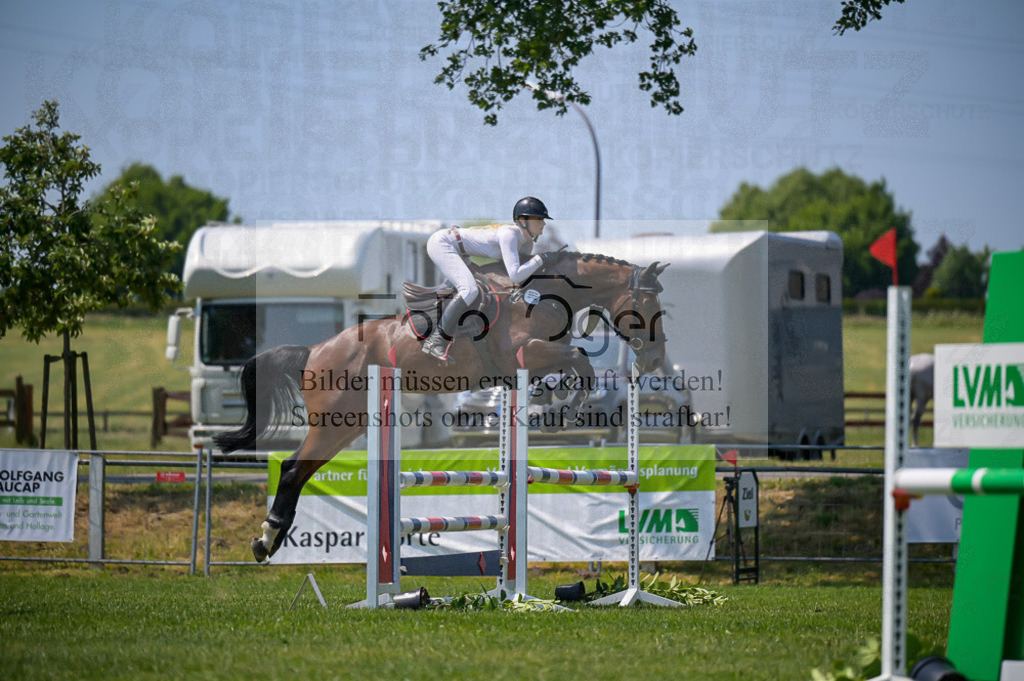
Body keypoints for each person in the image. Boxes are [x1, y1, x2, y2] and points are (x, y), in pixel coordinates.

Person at [421, 196, 566, 361]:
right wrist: (542, 259)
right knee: (469, 290)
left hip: (460, 250)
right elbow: (515, 274)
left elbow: (521, 276)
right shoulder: (510, 235)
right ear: (523, 220)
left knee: (478, 288)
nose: (543, 223)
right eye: (539, 219)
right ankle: (436, 339)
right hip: (443, 243)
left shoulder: (526, 243)